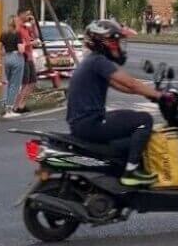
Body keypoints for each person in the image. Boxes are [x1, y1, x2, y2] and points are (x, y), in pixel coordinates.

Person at [67, 19, 163, 187]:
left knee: (128, 126)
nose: (119, 45)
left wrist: (149, 95)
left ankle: (120, 168)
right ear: (103, 42)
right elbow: (131, 83)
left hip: (83, 122)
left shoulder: (93, 61)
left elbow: (122, 86)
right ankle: (131, 172)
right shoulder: (99, 62)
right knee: (144, 120)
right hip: (91, 123)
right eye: (115, 40)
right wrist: (161, 96)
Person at [0, 15, 25, 118]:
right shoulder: (17, 34)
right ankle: (9, 110)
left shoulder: (4, 34)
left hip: (7, 58)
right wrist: (24, 45)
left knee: (9, 84)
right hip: (16, 58)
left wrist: (5, 54)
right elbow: (21, 50)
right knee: (14, 85)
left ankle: (5, 106)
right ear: (16, 24)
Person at [15, 10, 37, 113]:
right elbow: (21, 45)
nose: (28, 16)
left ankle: (22, 105)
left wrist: (33, 25)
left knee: (32, 82)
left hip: (30, 57)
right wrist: (32, 44)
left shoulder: (26, 27)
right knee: (25, 83)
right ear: (21, 14)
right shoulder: (18, 29)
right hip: (23, 57)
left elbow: (35, 36)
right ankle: (17, 106)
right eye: (27, 14)